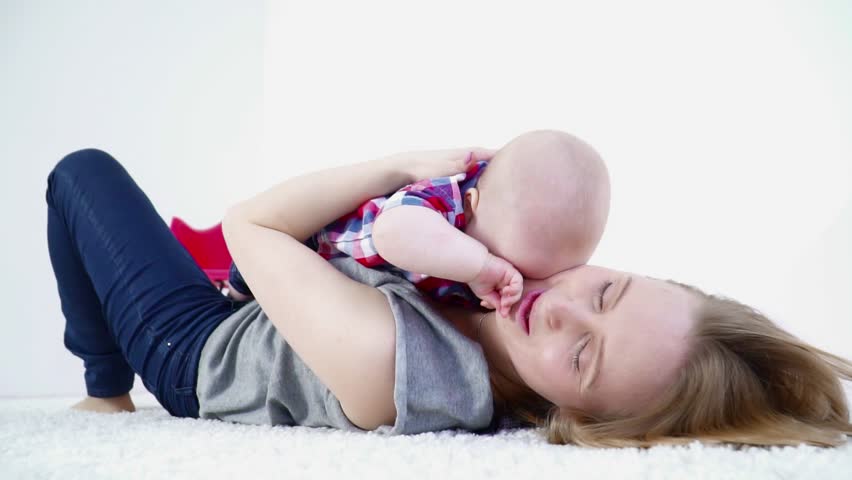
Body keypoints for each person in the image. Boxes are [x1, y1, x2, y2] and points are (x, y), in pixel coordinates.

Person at [47, 147, 852, 447]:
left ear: (580, 419)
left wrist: (400, 170)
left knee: (81, 175)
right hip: (252, 307)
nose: (558, 308)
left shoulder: (403, 367)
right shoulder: (493, 278)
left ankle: (106, 387)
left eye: (580, 353)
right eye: (605, 292)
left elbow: (253, 228)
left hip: (201, 349)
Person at [226, 130, 611, 318]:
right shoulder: (442, 199)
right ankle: (233, 293)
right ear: (471, 205)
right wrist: (482, 265)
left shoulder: (498, 222)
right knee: (248, 279)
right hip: (307, 242)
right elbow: (391, 235)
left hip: (336, 292)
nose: (508, 274)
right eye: (499, 256)